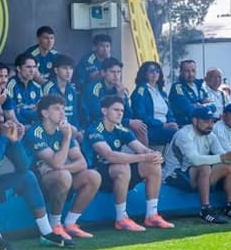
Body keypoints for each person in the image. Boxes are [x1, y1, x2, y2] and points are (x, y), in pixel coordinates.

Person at [0, 97, 73, 250]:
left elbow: (23, 166)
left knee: (28, 176)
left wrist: (15, 142)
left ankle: (46, 233)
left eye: (1, 115)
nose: (1, 120)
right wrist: (4, 138)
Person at [82, 95, 169, 232]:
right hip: (96, 173)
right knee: (122, 167)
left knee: (152, 164)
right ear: (104, 111)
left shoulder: (121, 129)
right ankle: (121, 218)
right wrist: (142, 157)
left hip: (116, 173)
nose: (120, 113)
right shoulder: (95, 129)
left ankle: (152, 215)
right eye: (116, 110)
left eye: (122, 111)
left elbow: (141, 149)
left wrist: (154, 155)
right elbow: (109, 156)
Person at [29, 95, 102, 239]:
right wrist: (67, 138)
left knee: (93, 176)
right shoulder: (35, 132)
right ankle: (55, 225)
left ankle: (70, 223)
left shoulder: (63, 131)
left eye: (63, 109)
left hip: (58, 176)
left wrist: (60, 167)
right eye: (57, 109)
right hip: (37, 183)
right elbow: (56, 162)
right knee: (64, 175)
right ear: (44, 113)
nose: (62, 113)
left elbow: (82, 163)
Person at [162, 104, 231, 224]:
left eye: (212, 121)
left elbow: (223, 156)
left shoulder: (210, 135)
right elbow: (195, 160)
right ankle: (205, 210)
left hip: (192, 174)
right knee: (205, 167)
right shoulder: (184, 134)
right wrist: (223, 157)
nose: (210, 125)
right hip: (174, 174)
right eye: (206, 121)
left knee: (229, 166)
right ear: (194, 121)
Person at [80, 58, 148, 145]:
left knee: (140, 129)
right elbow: (97, 114)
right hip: (94, 124)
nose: (116, 76)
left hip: (113, 122)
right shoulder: (95, 88)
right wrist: (118, 98)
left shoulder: (119, 88)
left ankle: (145, 158)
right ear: (103, 73)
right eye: (112, 72)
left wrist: (123, 98)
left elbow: (129, 114)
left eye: (118, 72)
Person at [131, 61, 178, 146]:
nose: (155, 73)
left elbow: (170, 113)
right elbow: (141, 116)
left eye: (157, 71)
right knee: (178, 136)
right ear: (144, 73)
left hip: (166, 128)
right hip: (151, 129)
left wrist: (172, 123)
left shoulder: (162, 93)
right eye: (151, 71)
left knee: (186, 133)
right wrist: (162, 125)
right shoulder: (140, 91)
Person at [6, 52, 45, 128]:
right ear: (18, 68)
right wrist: (31, 112)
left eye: (34, 67)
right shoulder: (10, 85)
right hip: (17, 127)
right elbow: (13, 113)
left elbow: (41, 112)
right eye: (28, 67)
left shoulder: (37, 87)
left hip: (34, 126)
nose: (32, 70)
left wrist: (23, 111)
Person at [43, 54, 81, 132]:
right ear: (56, 70)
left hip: (68, 128)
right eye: (64, 68)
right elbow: (44, 113)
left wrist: (78, 129)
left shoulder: (72, 90)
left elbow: (74, 114)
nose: (68, 72)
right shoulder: (48, 88)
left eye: (71, 69)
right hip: (52, 128)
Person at [169, 59, 213, 126]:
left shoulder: (200, 85)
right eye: (187, 71)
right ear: (181, 72)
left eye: (193, 71)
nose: (191, 74)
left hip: (203, 124)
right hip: (185, 125)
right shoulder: (177, 87)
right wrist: (203, 105)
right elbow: (187, 109)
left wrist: (197, 105)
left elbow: (213, 105)